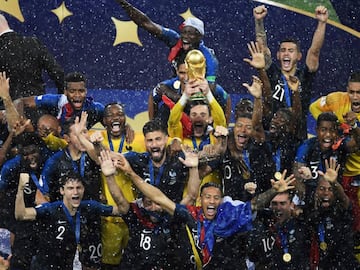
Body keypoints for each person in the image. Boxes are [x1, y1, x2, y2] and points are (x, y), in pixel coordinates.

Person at [115, 148, 295, 269]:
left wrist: (274, 191)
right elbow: (158, 198)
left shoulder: (229, 217)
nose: (212, 201)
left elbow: (254, 204)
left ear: (221, 201)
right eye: (207, 197)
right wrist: (131, 173)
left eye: (216, 198)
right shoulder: (191, 215)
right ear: (201, 200)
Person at [100, 143, 199, 269]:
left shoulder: (172, 217)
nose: (154, 208)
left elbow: (191, 197)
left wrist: (194, 168)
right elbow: (119, 200)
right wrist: (109, 177)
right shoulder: (135, 215)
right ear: (142, 203)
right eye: (148, 203)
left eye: (158, 203)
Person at [14, 171, 119, 270]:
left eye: (79, 188)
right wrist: (20, 188)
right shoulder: (51, 210)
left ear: (84, 189)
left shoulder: (89, 207)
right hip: (46, 266)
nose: (75, 192)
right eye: (70, 188)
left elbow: (122, 210)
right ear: (62, 191)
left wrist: (110, 178)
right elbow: (21, 215)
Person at [253, 5, 328, 140]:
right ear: (278, 55)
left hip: (297, 136)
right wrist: (259, 22)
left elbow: (314, 51)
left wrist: (322, 23)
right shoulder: (273, 73)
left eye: (290, 51)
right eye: (283, 50)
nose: (286, 53)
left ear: (299, 56)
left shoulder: (304, 76)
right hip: (272, 133)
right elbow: (262, 49)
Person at [309, 70, 360, 260]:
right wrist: (332, 127)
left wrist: (353, 128)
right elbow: (314, 108)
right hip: (343, 174)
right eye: (352, 92)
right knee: (348, 222)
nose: (355, 97)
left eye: (359, 93)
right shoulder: (337, 99)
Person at [114, 0, 218, 83]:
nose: (186, 37)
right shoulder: (175, 40)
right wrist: (122, 2)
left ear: (200, 36)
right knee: (159, 91)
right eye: (184, 32)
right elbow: (145, 23)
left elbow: (210, 88)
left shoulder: (208, 57)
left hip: (199, 95)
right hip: (179, 88)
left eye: (191, 34)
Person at [96, 103, 145, 269]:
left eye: (120, 114)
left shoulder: (139, 139)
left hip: (136, 216)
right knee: (110, 265)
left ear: (125, 119)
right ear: (104, 120)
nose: (115, 118)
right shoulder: (96, 138)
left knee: (137, 263)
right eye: (110, 115)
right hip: (110, 217)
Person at [0, 133, 48, 270]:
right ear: (20, 154)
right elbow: (2, 196)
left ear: (40, 150)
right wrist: (11, 229)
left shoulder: (48, 162)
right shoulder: (11, 168)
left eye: (33, 152)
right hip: (20, 226)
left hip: (44, 224)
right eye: (26, 154)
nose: (31, 157)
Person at [293, 112, 360, 210]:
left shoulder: (340, 145)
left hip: (337, 200)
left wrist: (354, 126)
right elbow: (297, 173)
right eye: (323, 130)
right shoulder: (307, 146)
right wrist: (307, 193)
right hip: (311, 203)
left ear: (336, 132)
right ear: (316, 130)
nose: (328, 135)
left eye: (332, 130)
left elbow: (357, 143)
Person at [307, 158, 359, 269]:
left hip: (345, 265)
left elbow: (344, 199)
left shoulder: (342, 209)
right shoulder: (312, 212)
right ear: (316, 191)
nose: (326, 193)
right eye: (322, 188)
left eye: (330, 189)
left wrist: (334, 183)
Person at [0, 13, 64, 101]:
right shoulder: (33, 43)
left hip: (8, 110)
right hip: (36, 107)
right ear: (6, 23)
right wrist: (61, 103)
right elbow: (58, 73)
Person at [248, 190, 311, 269]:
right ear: (270, 205)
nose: (278, 208)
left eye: (282, 203)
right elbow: (250, 208)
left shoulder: (301, 225)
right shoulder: (262, 224)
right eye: (274, 203)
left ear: (291, 205)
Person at [20, 72, 105, 129]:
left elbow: (112, 119)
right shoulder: (55, 101)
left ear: (86, 92)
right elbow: (20, 102)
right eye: (72, 91)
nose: (77, 95)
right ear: (65, 92)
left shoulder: (95, 108)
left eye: (81, 91)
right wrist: (22, 121)